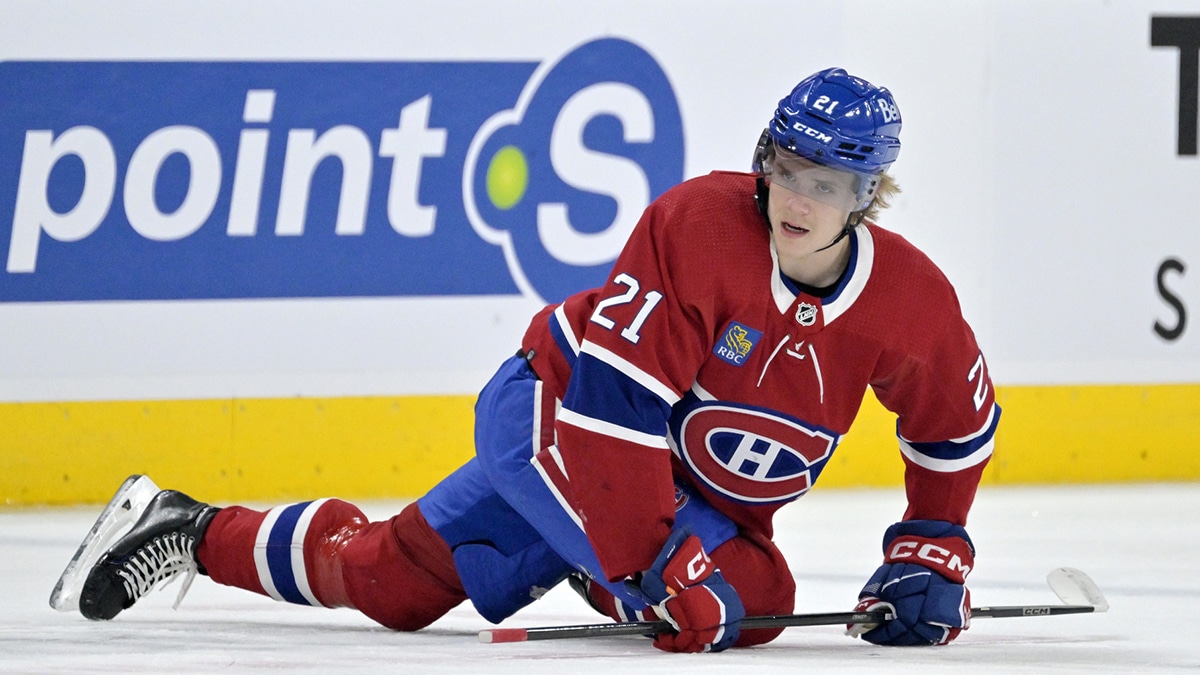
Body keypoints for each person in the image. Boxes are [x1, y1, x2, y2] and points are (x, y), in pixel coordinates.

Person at [51, 68, 998, 653]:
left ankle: (184, 523)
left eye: (826, 182)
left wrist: (931, 545)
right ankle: (195, 531)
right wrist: (647, 570)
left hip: (677, 488)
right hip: (556, 418)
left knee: (395, 583)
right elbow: (608, 412)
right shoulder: (701, 225)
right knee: (732, 605)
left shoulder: (911, 302)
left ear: (867, 195)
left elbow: (954, 427)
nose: (796, 196)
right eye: (786, 167)